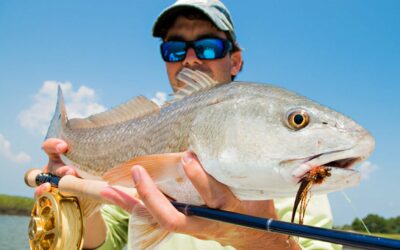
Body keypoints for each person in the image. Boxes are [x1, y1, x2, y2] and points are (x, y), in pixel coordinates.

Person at [35, 1, 340, 249]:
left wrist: (256, 236)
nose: (190, 59)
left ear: (235, 61)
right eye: (175, 50)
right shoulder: (148, 127)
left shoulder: (294, 173)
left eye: (208, 47)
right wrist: (76, 197)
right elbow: (105, 241)